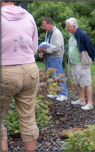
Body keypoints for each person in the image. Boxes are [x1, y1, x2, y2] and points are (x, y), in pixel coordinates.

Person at [1, 0, 39, 151]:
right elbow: (34, 48)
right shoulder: (28, 16)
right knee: (28, 119)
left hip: (6, 70)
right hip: (30, 69)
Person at [65, 17, 95, 110]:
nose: (67, 28)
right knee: (77, 81)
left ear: (74, 26)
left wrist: (91, 59)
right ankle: (82, 99)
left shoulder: (82, 34)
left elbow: (91, 47)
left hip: (81, 63)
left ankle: (90, 103)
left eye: (68, 27)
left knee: (86, 82)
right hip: (74, 63)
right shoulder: (71, 35)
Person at [39, 17, 68, 102]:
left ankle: (63, 94)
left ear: (50, 24)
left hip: (56, 57)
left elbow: (57, 47)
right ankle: (54, 92)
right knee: (50, 75)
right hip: (49, 56)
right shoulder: (48, 33)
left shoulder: (57, 33)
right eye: (43, 26)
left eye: (44, 26)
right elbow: (46, 44)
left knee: (59, 75)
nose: (43, 28)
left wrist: (46, 50)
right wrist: (42, 52)